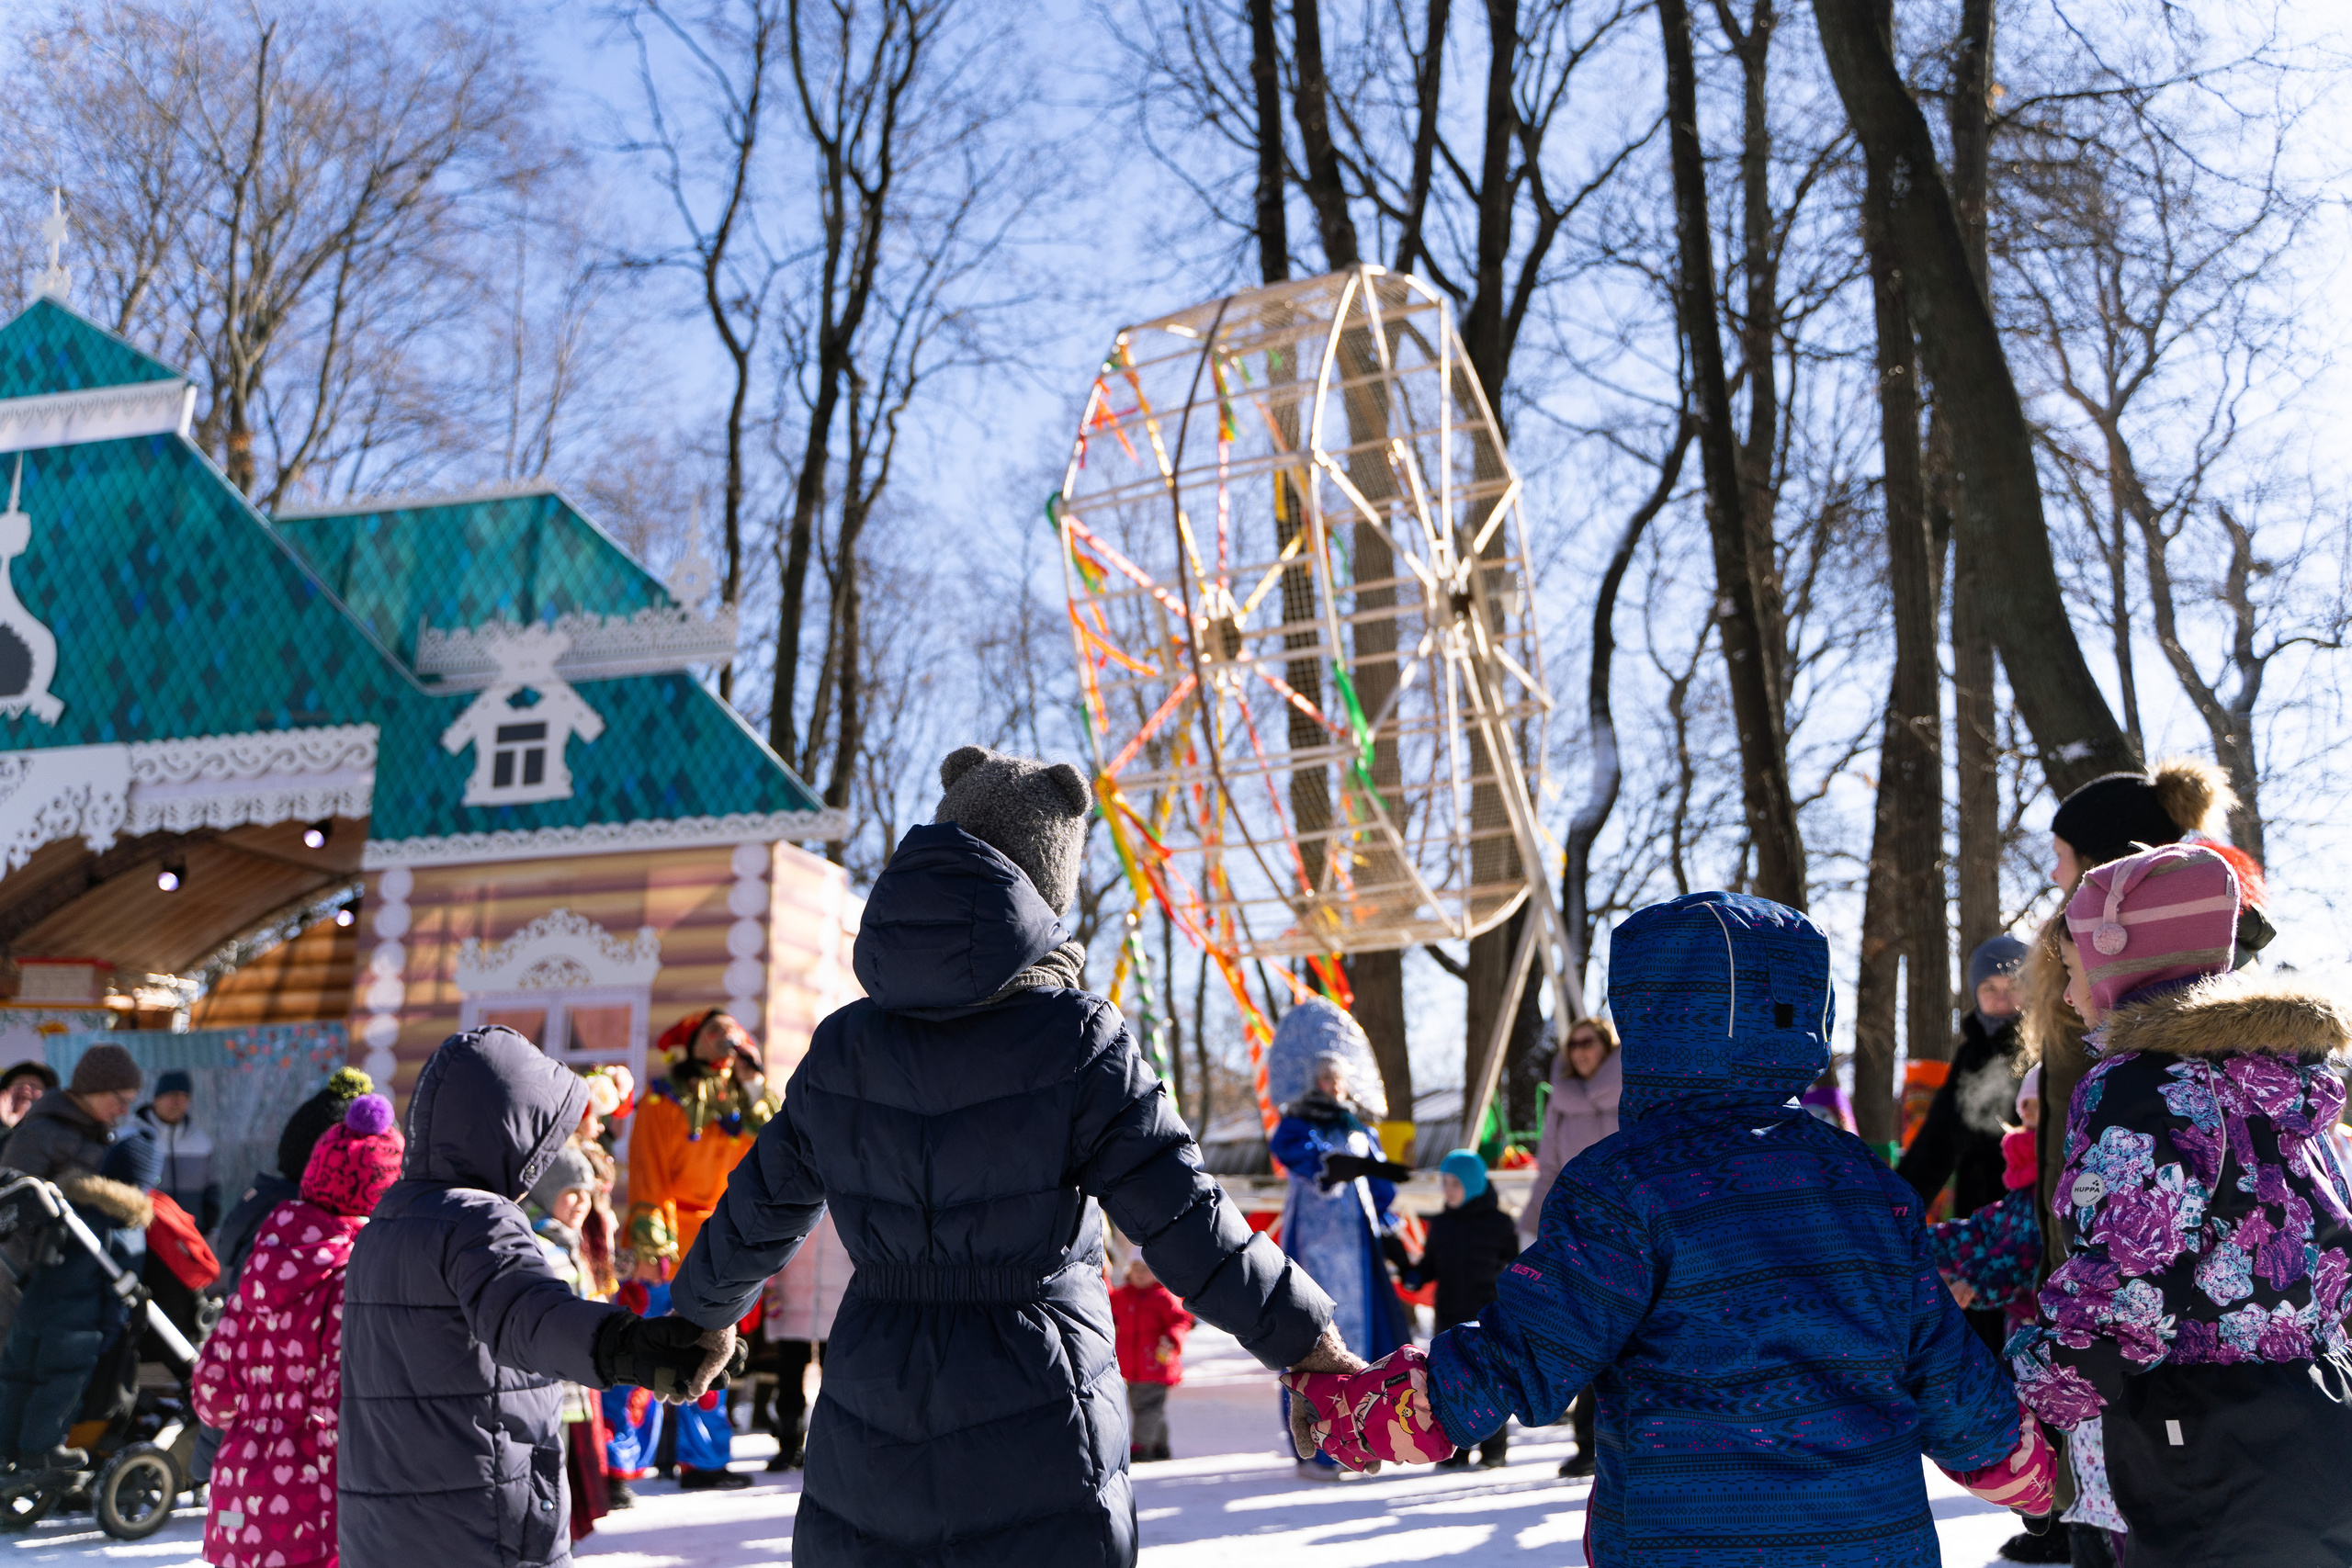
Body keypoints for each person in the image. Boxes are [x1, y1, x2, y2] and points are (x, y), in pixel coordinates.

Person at [665, 746, 1346, 1568]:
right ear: (1046, 888)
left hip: (873, 1400)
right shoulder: (1077, 1039)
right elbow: (1186, 1217)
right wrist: (1305, 1340)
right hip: (1042, 1405)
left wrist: (700, 1314)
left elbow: (757, 1207)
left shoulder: (846, 1045)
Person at [1285, 892, 2056, 1562]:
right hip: (1868, 1539)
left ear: (1647, 1020)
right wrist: (2034, 1470)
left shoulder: (1625, 1187)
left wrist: (1364, 1409)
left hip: (1683, 1537)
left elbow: (1524, 1351)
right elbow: (1947, 1374)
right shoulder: (1866, 1187)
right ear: (1806, 1015)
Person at [2009, 844, 2352, 1564]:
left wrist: (2030, 1398)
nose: (2069, 998)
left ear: (2120, 964)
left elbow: (2126, 1279)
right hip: (2322, 1415)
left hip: (2199, 1434)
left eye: (2073, 974)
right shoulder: (2287, 1084)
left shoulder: (2141, 1086)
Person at [337, 1028, 745, 1568]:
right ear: (510, 1130)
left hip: (383, 1524)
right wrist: (635, 1346)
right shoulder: (479, 1220)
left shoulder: (384, 1223)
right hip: (479, 1519)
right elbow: (529, 1316)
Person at [193, 1094, 402, 1568]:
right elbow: (339, 1399)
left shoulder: (263, 1261)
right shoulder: (355, 1276)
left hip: (241, 1486)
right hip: (317, 1494)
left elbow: (211, 1390)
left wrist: (258, 1418)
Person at [627, 1008, 774, 1491]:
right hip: (673, 1241)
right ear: (690, 1043)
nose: (728, 1040)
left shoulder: (744, 1101)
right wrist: (651, 1244)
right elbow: (648, 1173)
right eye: (715, 1032)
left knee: (716, 1356)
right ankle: (619, 1466)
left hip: (727, 1241)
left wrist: (754, 1080)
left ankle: (705, 1461)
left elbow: (777, 1142)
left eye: (733, 1032)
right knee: (649, 1354)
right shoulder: (662, 1101)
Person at [1899, 934, 2030, 1346]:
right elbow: (1935, 1142)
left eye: (2012, 988)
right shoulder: (1969, 1055)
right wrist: (1894, 1205)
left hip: (2025, 1209)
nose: (2001, 999)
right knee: (1974, 1316)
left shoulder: (2040, 1047)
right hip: (1975, 1210)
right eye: (1989, 989)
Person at [0, 1132, 154, 1472]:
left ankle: (4, 1449)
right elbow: (121, 1288)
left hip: (33, 1310)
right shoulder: (124, 1222)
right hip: (78, 1324)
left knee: (15, 1380)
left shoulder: (67, 1207)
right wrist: (114, 1335)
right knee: (60, 1385)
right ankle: (41, 1450)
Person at [1518, 1015, 1620, 1475]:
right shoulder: (1561, 1102)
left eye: (1588, 1042)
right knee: (1587, 1340)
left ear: (1606, 1046)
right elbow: (1550, 1170)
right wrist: (1534, 1227)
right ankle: (1587, 1444)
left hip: (1627, 1230)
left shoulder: (1631, 1088)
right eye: (1573, 1044)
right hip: (1579, 1235)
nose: (1580, 1051)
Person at [1390, 1150, 1520, 1472]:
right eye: (1444, 1183)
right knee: (1449, 1384)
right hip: (1449, 1318)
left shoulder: (1499, 1224)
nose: (1447, 1190)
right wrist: (1409, 1269)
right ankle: (1456, 1448)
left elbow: (1515, 1271)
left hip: (1489, 1319)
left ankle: (1494, 1449)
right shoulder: (1442, 1224)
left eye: (1454, 1183)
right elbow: (1429, 1268)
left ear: (1473, 1184)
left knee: (1492, 1382)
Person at [526, 1142, 616, 1538]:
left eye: (587, 1193)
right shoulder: (538, 1245)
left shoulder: (566, 1239)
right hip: (546, 1386)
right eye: (571, 1192)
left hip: (570, 1381)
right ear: (546, 1192)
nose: (582, 1203)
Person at [755, 1207, 852, 1472]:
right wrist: (770, 1283)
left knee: (835, 1380)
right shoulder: (796, 1181)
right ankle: (788, 1444)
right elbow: (771, 1233)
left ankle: (834, 1447)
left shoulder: (849, 1182)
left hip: (838, 1297)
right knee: (788, 1377)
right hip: (793, 1296)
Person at [3, 1043, 141, 1181]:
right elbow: (17, 1194)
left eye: (129, 1102)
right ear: (94, 1089)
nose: (125, 1111)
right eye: (121, 1100)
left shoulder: (105, 1135)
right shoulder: (38, 1134)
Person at [1110, 1255, 1193, 1463]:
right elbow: (1107, 1301)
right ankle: (1159, 1444)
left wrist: (1173, 1339)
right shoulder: (1123, 1296)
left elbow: (1181, 1320)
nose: (1139, 1273)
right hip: (1132, 1364)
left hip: (1156, 1363)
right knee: (1149, 1407)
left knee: (1146, 1408)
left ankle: (1141, 1446)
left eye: (1145, 1269)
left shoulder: (1164, 1297)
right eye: (1136, 1268)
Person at [0, 1062, 57, 1156]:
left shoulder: (59, 1129)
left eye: (34, 1086)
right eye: (19, 1085)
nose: (26, 1089)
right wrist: (7, 1128)